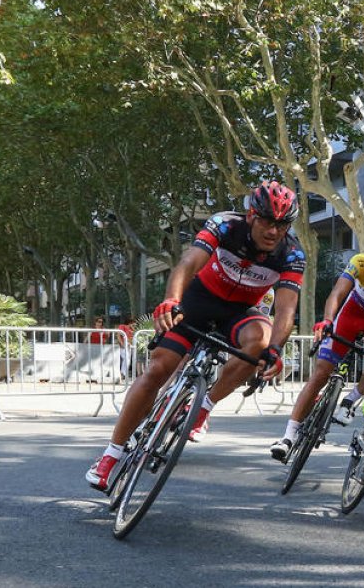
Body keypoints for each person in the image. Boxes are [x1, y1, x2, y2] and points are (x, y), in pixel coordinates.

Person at [85, 181, 305, 491]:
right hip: (198, 301)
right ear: (252, 216)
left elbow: (285, 311)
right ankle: (110, 455)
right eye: (268, 221)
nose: (274, 231)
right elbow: (187, 264)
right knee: (157, 371)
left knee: (261, 341)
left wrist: (277, 350)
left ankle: (204, 406)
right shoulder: (225, 225)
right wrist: (172, 300)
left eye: (282, 224)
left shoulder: (292, 252)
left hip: (241, 311)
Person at [268, 235, 364, 461]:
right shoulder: (361, 263)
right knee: (320, 373)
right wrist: (327, 320)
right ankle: (288, 437)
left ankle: (349, 402)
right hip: (350, 318)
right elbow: (337, 294)